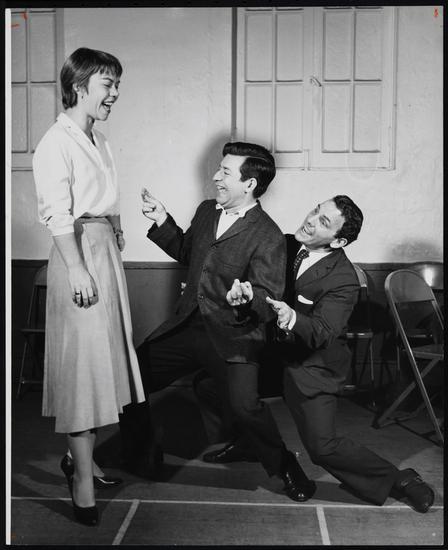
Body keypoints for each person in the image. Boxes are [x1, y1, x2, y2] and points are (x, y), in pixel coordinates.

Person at [198, 195, 435, 513]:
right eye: (315, 210)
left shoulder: (343, 279)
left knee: (322, 448)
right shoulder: (283, 244)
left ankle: (400, 480)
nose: (310, 220)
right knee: (213, 384)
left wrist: (291, 317)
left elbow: (323, 331)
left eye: (323, 221)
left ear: (338, 241)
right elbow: (254, 283)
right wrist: (244, 297)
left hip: (311, 365)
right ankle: (251, 442)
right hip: (271, 352)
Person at [119, 141, 316, 502]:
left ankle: (286, 466)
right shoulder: (207, 211)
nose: (215, 177)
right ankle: (143, 452)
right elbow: (187, 252)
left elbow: (267, 295)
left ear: (249, 184)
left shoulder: (268, 235)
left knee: (245, 407)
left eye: (225, 172)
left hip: (233, 335)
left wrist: (247, 300)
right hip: (188, 326)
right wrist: (162, 220)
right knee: (130, 378)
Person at [32, 47, 145, 526]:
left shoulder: (99, 139)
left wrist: (116, 229)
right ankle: (80, 480)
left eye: (117, 84)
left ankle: (82, 460)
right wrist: (77, 269)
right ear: (79, 87)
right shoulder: (54, 142)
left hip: (102, 252)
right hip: (76, 254)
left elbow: (106, 197)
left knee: (101, 367)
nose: (115, 93)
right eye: (107, 84)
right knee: (83, 371)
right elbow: (57, 214)